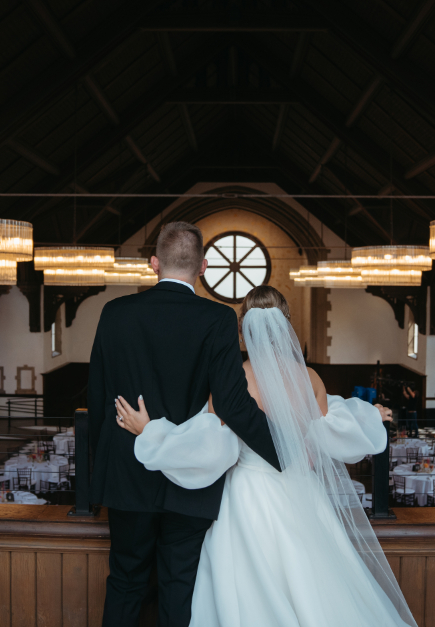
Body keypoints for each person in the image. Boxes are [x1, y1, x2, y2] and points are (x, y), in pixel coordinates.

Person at [115, 286, 418, 627]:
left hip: (247, 495)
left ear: (243, 329)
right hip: (301, 491)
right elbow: (324, 432)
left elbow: (208, 442)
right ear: (286, 325)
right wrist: (369, 414)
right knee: (312, 580)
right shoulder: (310, 378)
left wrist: (150, 432)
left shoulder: (234, 379)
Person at [88, 222, 280, 627]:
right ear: (204, 267)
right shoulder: (218, 318)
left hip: (126, 474)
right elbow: (232, 403)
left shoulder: (115, 313)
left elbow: (98, 398)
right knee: (179, 585)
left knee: (125, 582)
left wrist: (92, 482)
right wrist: (285, 452)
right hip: (192, 476)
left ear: (153, 263)